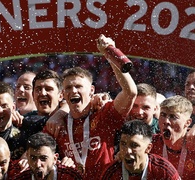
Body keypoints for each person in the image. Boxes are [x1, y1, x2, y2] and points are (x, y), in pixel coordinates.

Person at [44, 35, 137, 179]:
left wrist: (111, 55)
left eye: (79, 86)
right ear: (63, 94)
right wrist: (57, 165)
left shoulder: (104, 114)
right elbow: (39, 156)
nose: (73, 91)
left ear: (92, 91)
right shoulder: (56, 124)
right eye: (68, 87)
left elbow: (130, 92)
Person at [102, 120, 180, 179]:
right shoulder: (112, 173)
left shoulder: (164, 171)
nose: (127, 151)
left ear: (148, 148)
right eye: (123, 144)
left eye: (134, 145)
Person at [14, 132, 82, 180]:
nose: (38, 164)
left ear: (55, 159)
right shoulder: (21, 178)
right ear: (27, 158)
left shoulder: (70, 177)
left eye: (43, 158)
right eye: (33, 158)